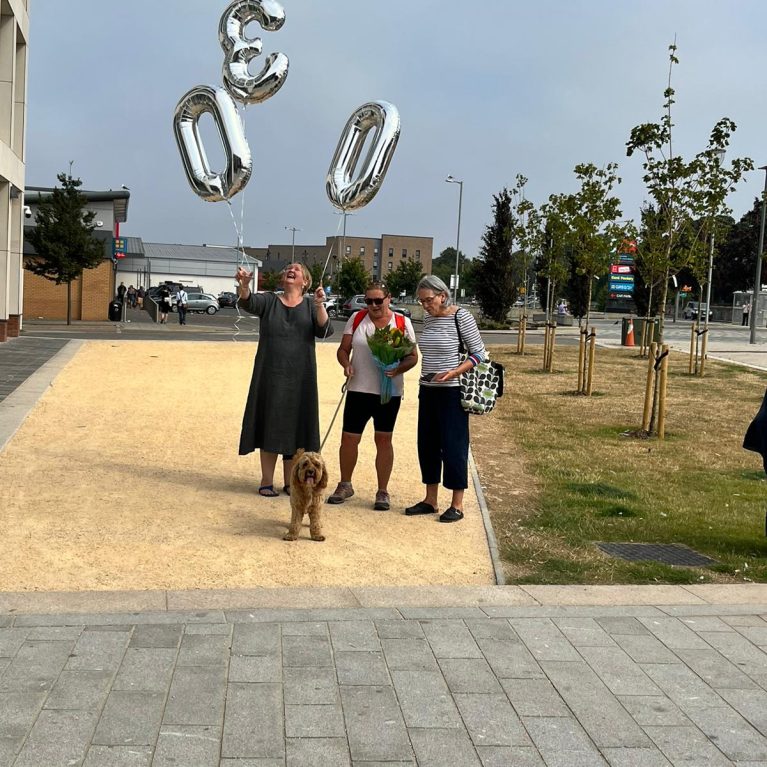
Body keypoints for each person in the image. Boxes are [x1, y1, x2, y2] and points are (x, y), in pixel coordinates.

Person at [235, 262, 332, 497]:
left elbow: (324, 329)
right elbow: (248, 301)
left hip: (301, 377)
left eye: (298, 269)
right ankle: (266, 480)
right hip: (270, 373)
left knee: (297, 427)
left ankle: (291, 482)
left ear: (305, 281)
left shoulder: (310, 304)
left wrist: (320, 305)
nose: (292, 269)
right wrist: (244, 286)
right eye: (289, 267)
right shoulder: (269, 300)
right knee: (270, 422)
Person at [328, 282, 418, 510]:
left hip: (389, 393)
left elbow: (412, 356)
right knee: (349, 438)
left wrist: (397, 369)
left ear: (389, 298)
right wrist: (346, 364)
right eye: (369, 301)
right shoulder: (357, 319)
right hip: (358, 389)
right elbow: (342, 349)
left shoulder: (401, 322)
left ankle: (382, 491)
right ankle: (345, 484)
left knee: (384, 440)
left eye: (378, 300)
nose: (374, 305)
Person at [405, 275, 486, 523]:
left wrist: (454, 372)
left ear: (443, 295)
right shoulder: (429, 319)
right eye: (421, 301)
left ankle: (457, 503)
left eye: (429, 300)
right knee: (427, 444)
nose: (426, 305)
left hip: (452, 390)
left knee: (454, 445)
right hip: (428, 388)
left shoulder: (461, 316)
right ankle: (430, 499)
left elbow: (479, 353)